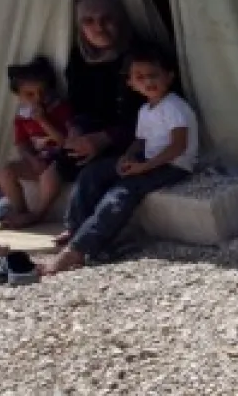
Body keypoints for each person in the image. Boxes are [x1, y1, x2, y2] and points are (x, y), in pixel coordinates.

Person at [41, 44, 198, 276]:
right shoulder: (146, 109)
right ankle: (76, 229)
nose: (147, 82)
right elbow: (141, 140)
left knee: (121, 192)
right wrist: (128, 156)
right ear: (131, 83)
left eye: (153, 75)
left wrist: (143, 167)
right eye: (139, 77)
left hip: (172, 164)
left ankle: (78, 250)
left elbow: (178, 146)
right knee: (93, 173)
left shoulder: (174, 107)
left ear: (169, 76)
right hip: (149, 158)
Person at [62, 0, 146, 170]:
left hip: (134, 141)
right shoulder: (79, 58)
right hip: (92, 137)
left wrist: (107, 137)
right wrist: (75, 129)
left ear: (119, 21)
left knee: (94, 176)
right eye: (89, 21)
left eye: (107, 19)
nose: (99, 28)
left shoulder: (143, 56)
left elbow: (155, 114)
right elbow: (77, 102)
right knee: (61, 167)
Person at [0, 56, 74, 229]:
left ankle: (39, 214)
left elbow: (65, 142)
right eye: (29, 94)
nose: (37, 98)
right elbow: (21, 143)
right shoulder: (22, 115)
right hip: (38, 160)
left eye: (42, 93)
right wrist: (31, 158)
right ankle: (20, 211)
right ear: (19, 95)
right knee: (3, 172)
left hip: (60, 161)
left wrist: (44, 121)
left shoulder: (60, 109)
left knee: (49, 175)